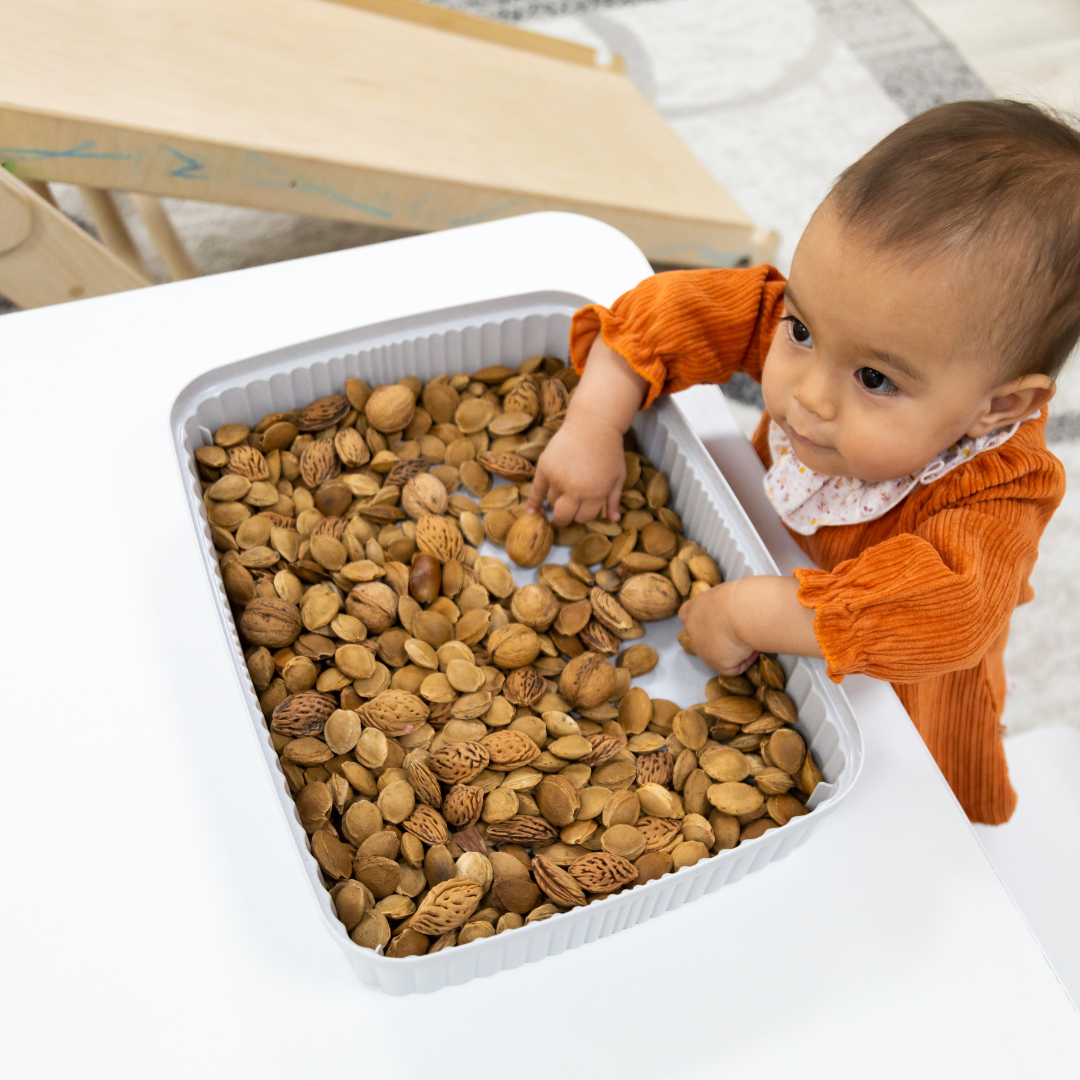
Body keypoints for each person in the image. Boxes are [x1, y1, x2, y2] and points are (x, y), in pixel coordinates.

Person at [526, 100, 1073, 825]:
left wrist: (752, 610)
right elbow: (671, 310)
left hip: (897, 689)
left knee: (914, 822)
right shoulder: (839, 326)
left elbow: (951, 613)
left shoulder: (1002, 489)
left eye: (875, 380)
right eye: (803, 330)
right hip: (763, 560)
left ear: (997, 408)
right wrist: (594, 422)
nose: (806, 396)